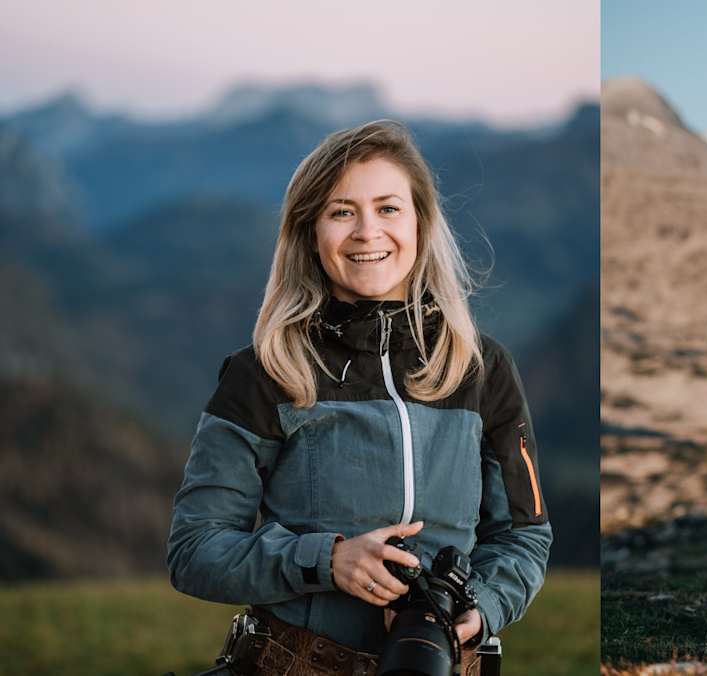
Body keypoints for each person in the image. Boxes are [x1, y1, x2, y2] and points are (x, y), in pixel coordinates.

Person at [166, 121, 551, 675]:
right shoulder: (263, 373)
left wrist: (483, 607)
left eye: (389, 209)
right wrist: (326, 560)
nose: (368, 232)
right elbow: (194, 549)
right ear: (309, 232)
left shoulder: (481, 368)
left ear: (421, 222)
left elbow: (523, 533)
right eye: (342, 211)